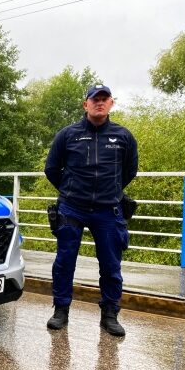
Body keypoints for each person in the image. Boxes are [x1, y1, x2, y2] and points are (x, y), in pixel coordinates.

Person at [44, 84, 138, 337]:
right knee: (64, 262)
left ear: (111, 103)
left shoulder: (123, 136)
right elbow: (52, 169)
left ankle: (110, 315)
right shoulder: (67, 135)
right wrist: (70, 191)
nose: (99, 102)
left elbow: (130, 171)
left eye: (104, 99)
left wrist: (111, 192)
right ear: (85, 104)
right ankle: (60, 310)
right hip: (72, 208)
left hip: (108, 211)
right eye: (94, 99)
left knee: (110, 265)